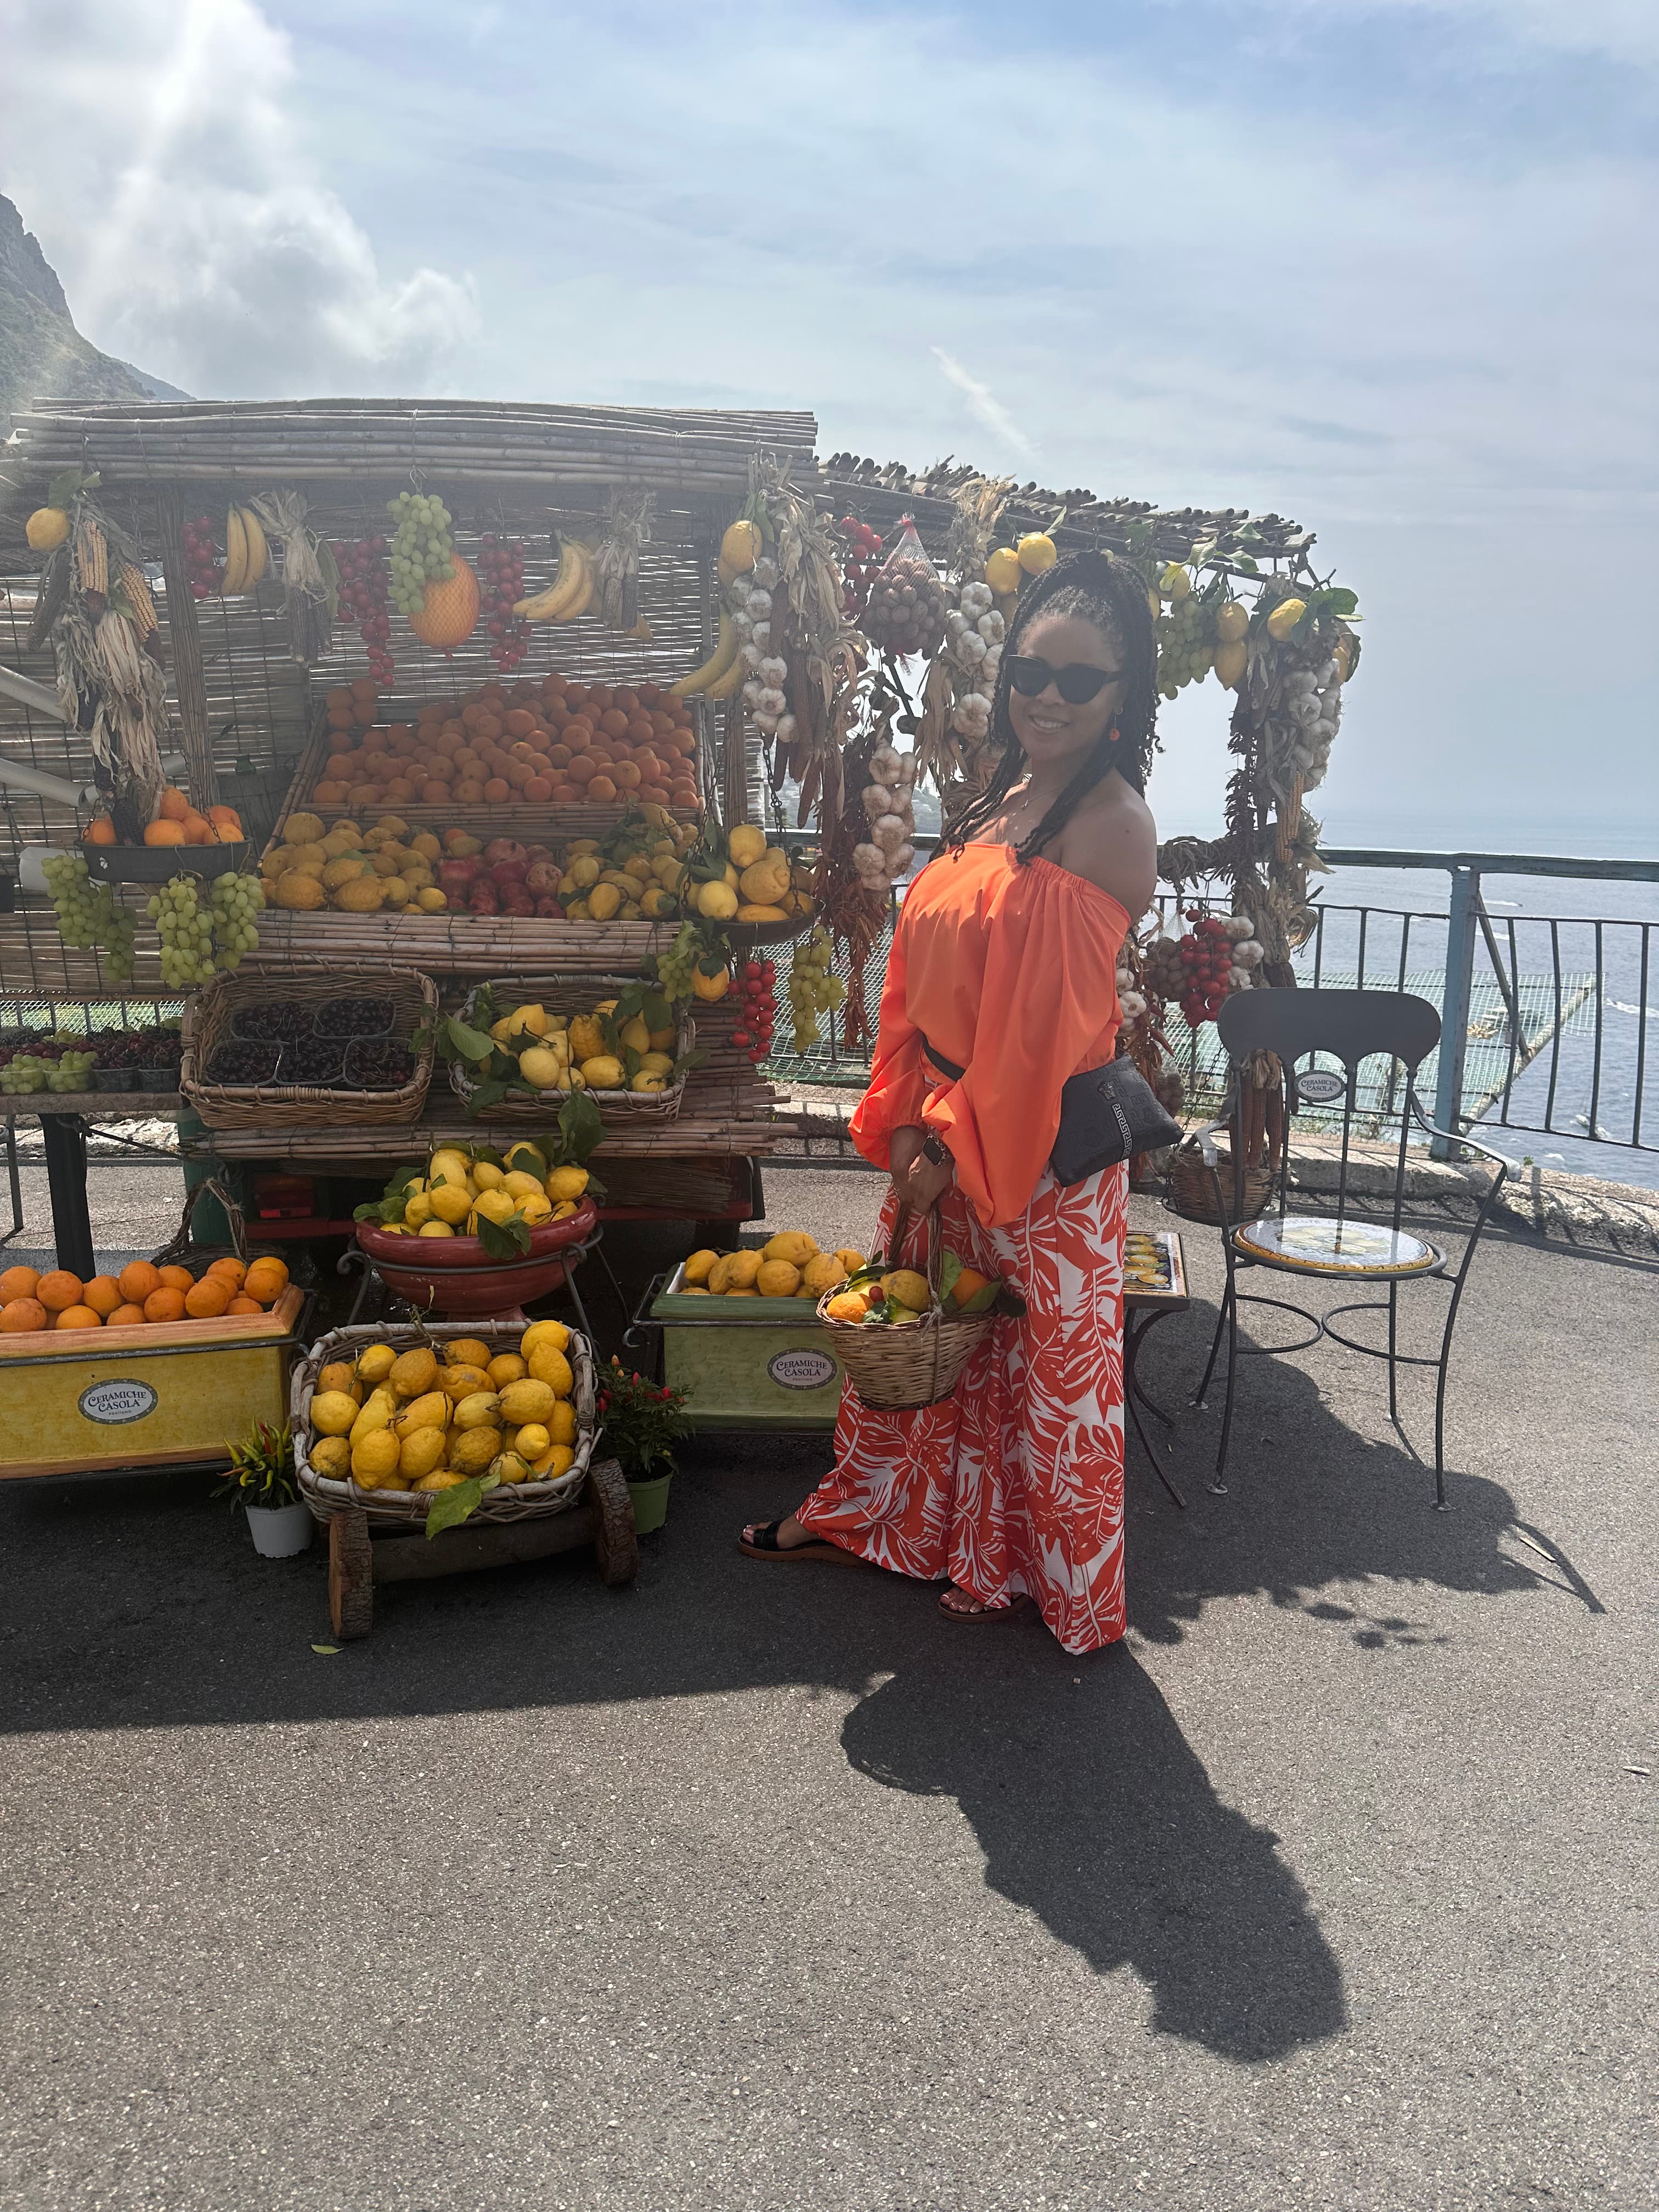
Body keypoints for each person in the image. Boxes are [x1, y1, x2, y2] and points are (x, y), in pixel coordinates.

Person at [741, 548, 1160, 1651]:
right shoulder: (1001, 796)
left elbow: (1045, 1033)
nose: (1046, 696)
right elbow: (924, 970)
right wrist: (910, 1108)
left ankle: (1038, 1577)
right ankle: (910, 1532)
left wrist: (944, 1137)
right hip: (951, 1122)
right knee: (933, 1349)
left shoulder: (1109, 822)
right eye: (1029, 671)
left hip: (1031, 1152)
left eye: (1078, 680)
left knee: (1029, 1372)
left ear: (1124, 699)